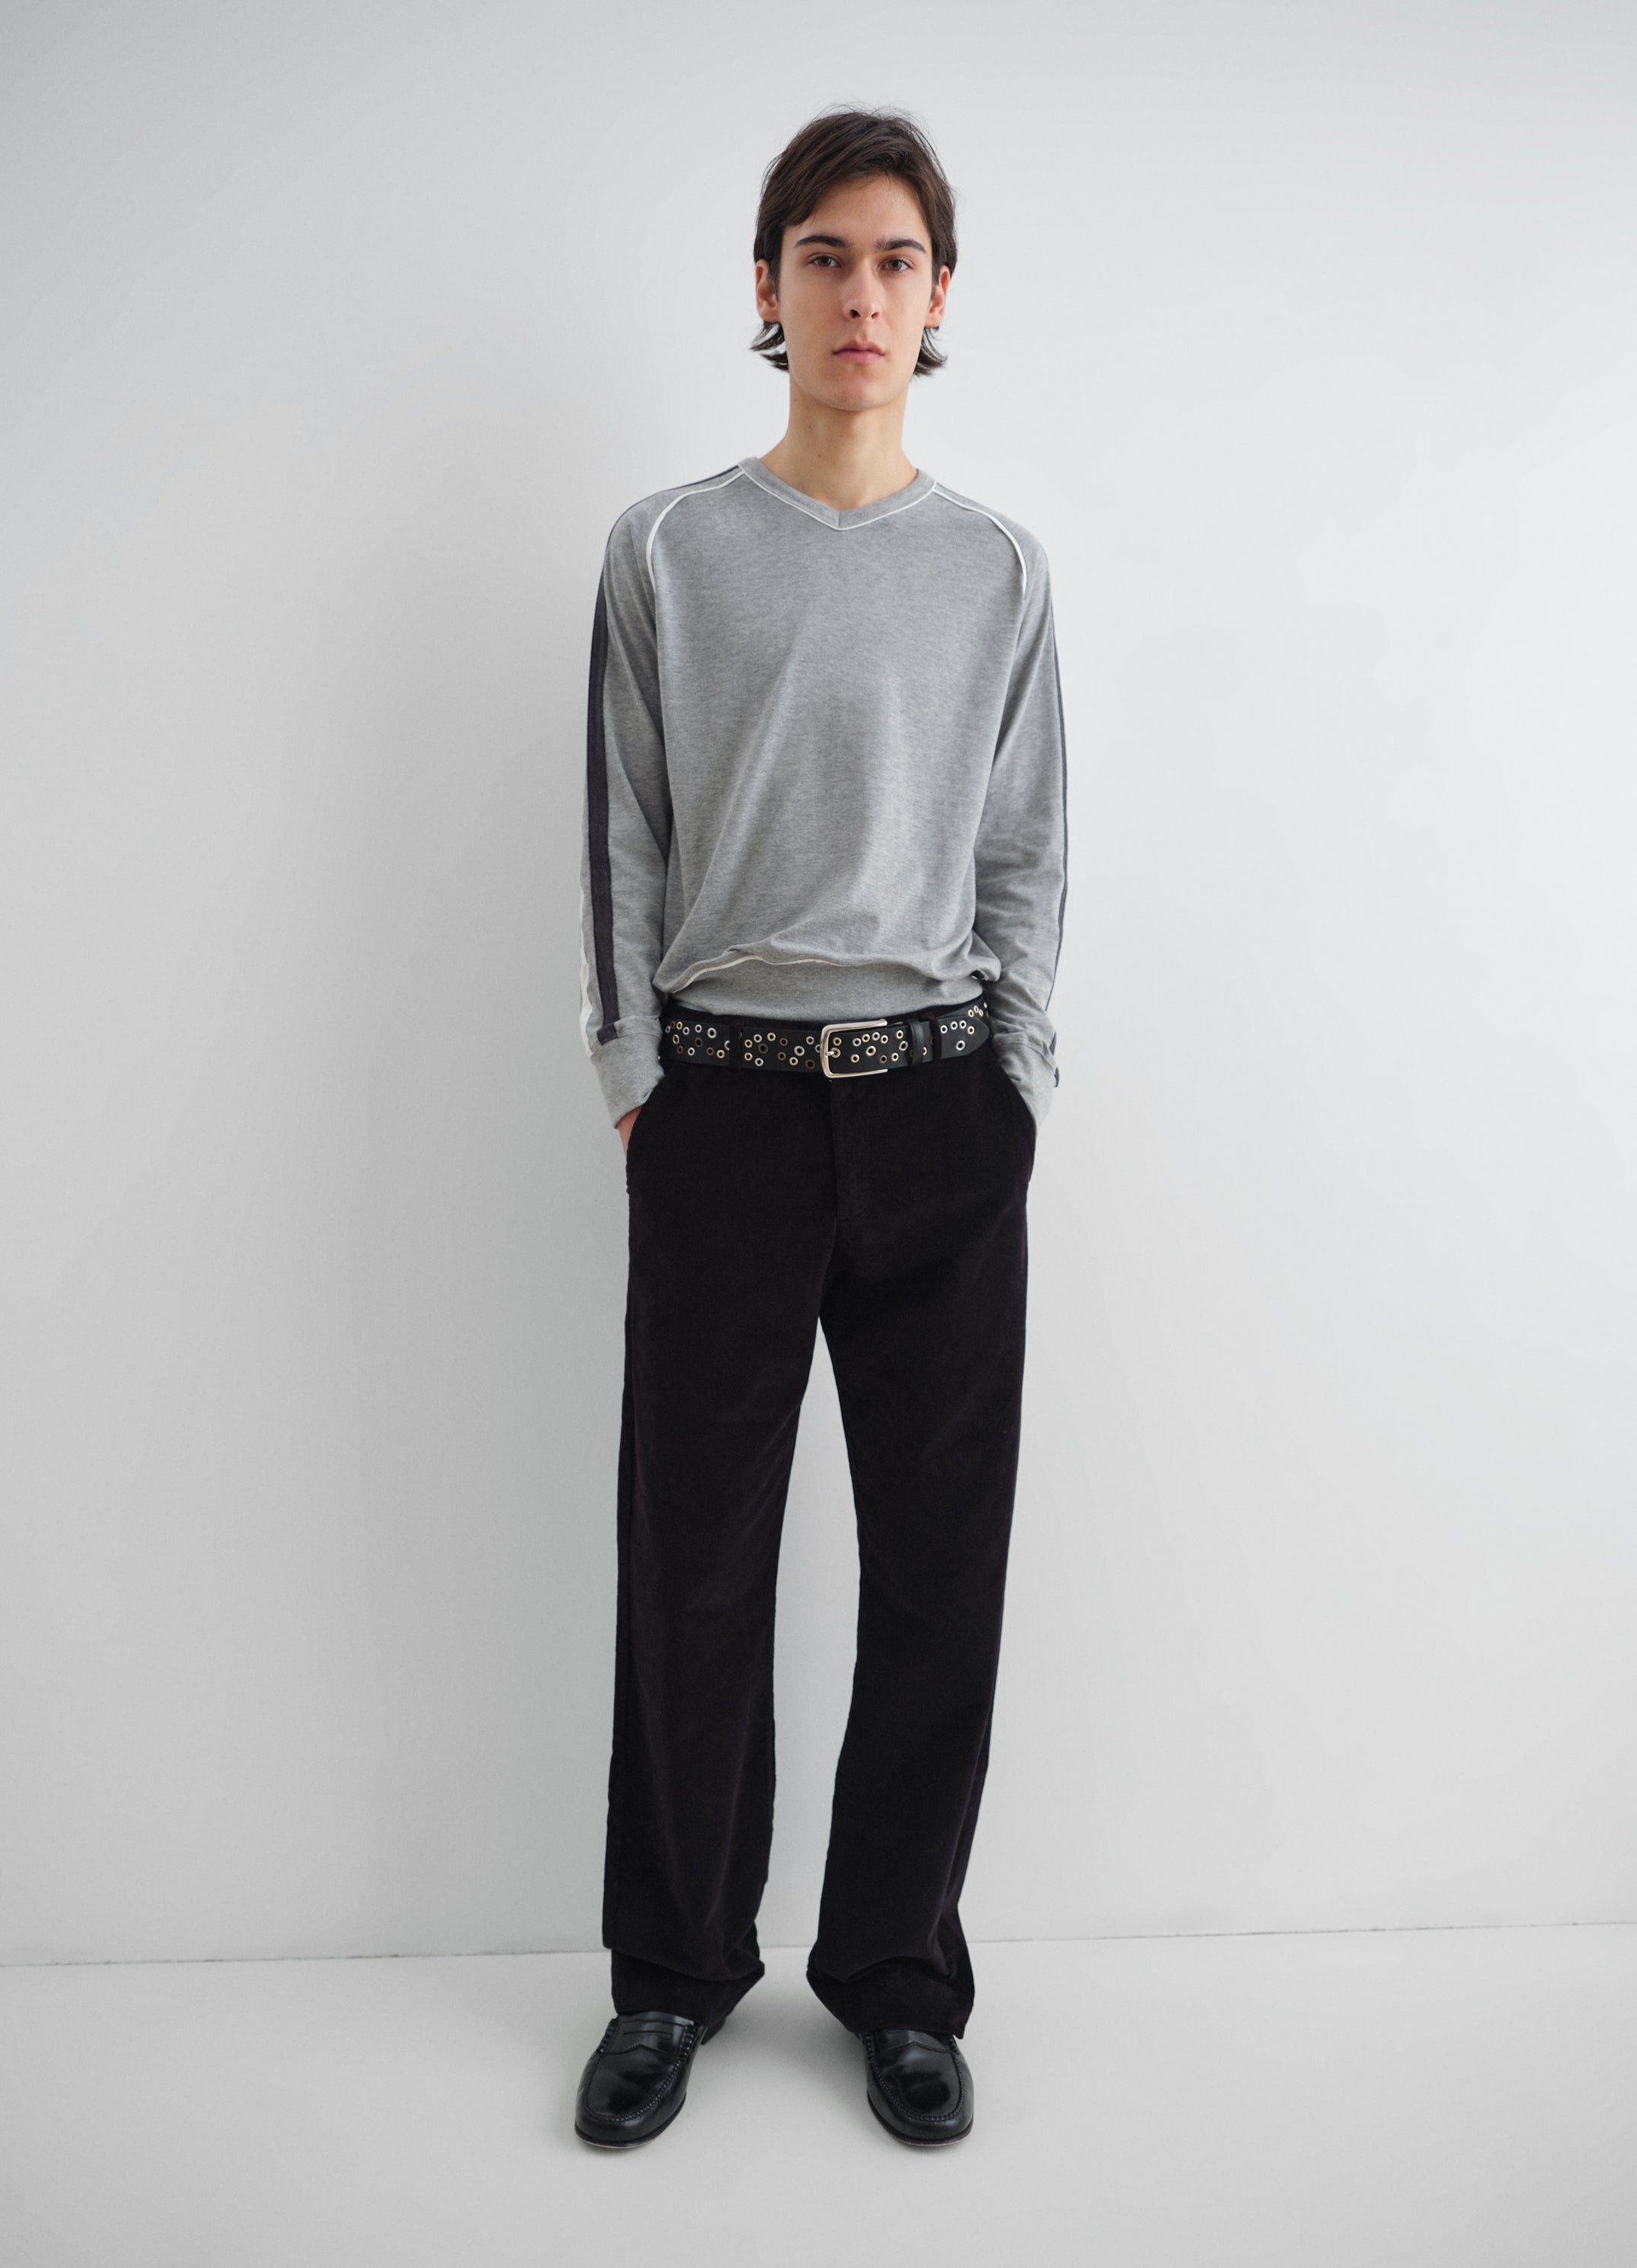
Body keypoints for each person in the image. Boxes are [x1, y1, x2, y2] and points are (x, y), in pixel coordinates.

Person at [573, 104, 1066, 2149]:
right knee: (693, 1563)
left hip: (939, 1109)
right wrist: (635, 1080)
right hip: (727, 1110)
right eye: (824, 255)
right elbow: (621, 831)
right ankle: (673, 1976)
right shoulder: (668, 550)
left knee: (939, 1569)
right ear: (767, 289)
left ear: (939, 297)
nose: (861, 293)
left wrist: (1016, 1076)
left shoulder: (995, 570)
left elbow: (1025, 848)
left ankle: (897, 1981)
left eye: (895, 260)